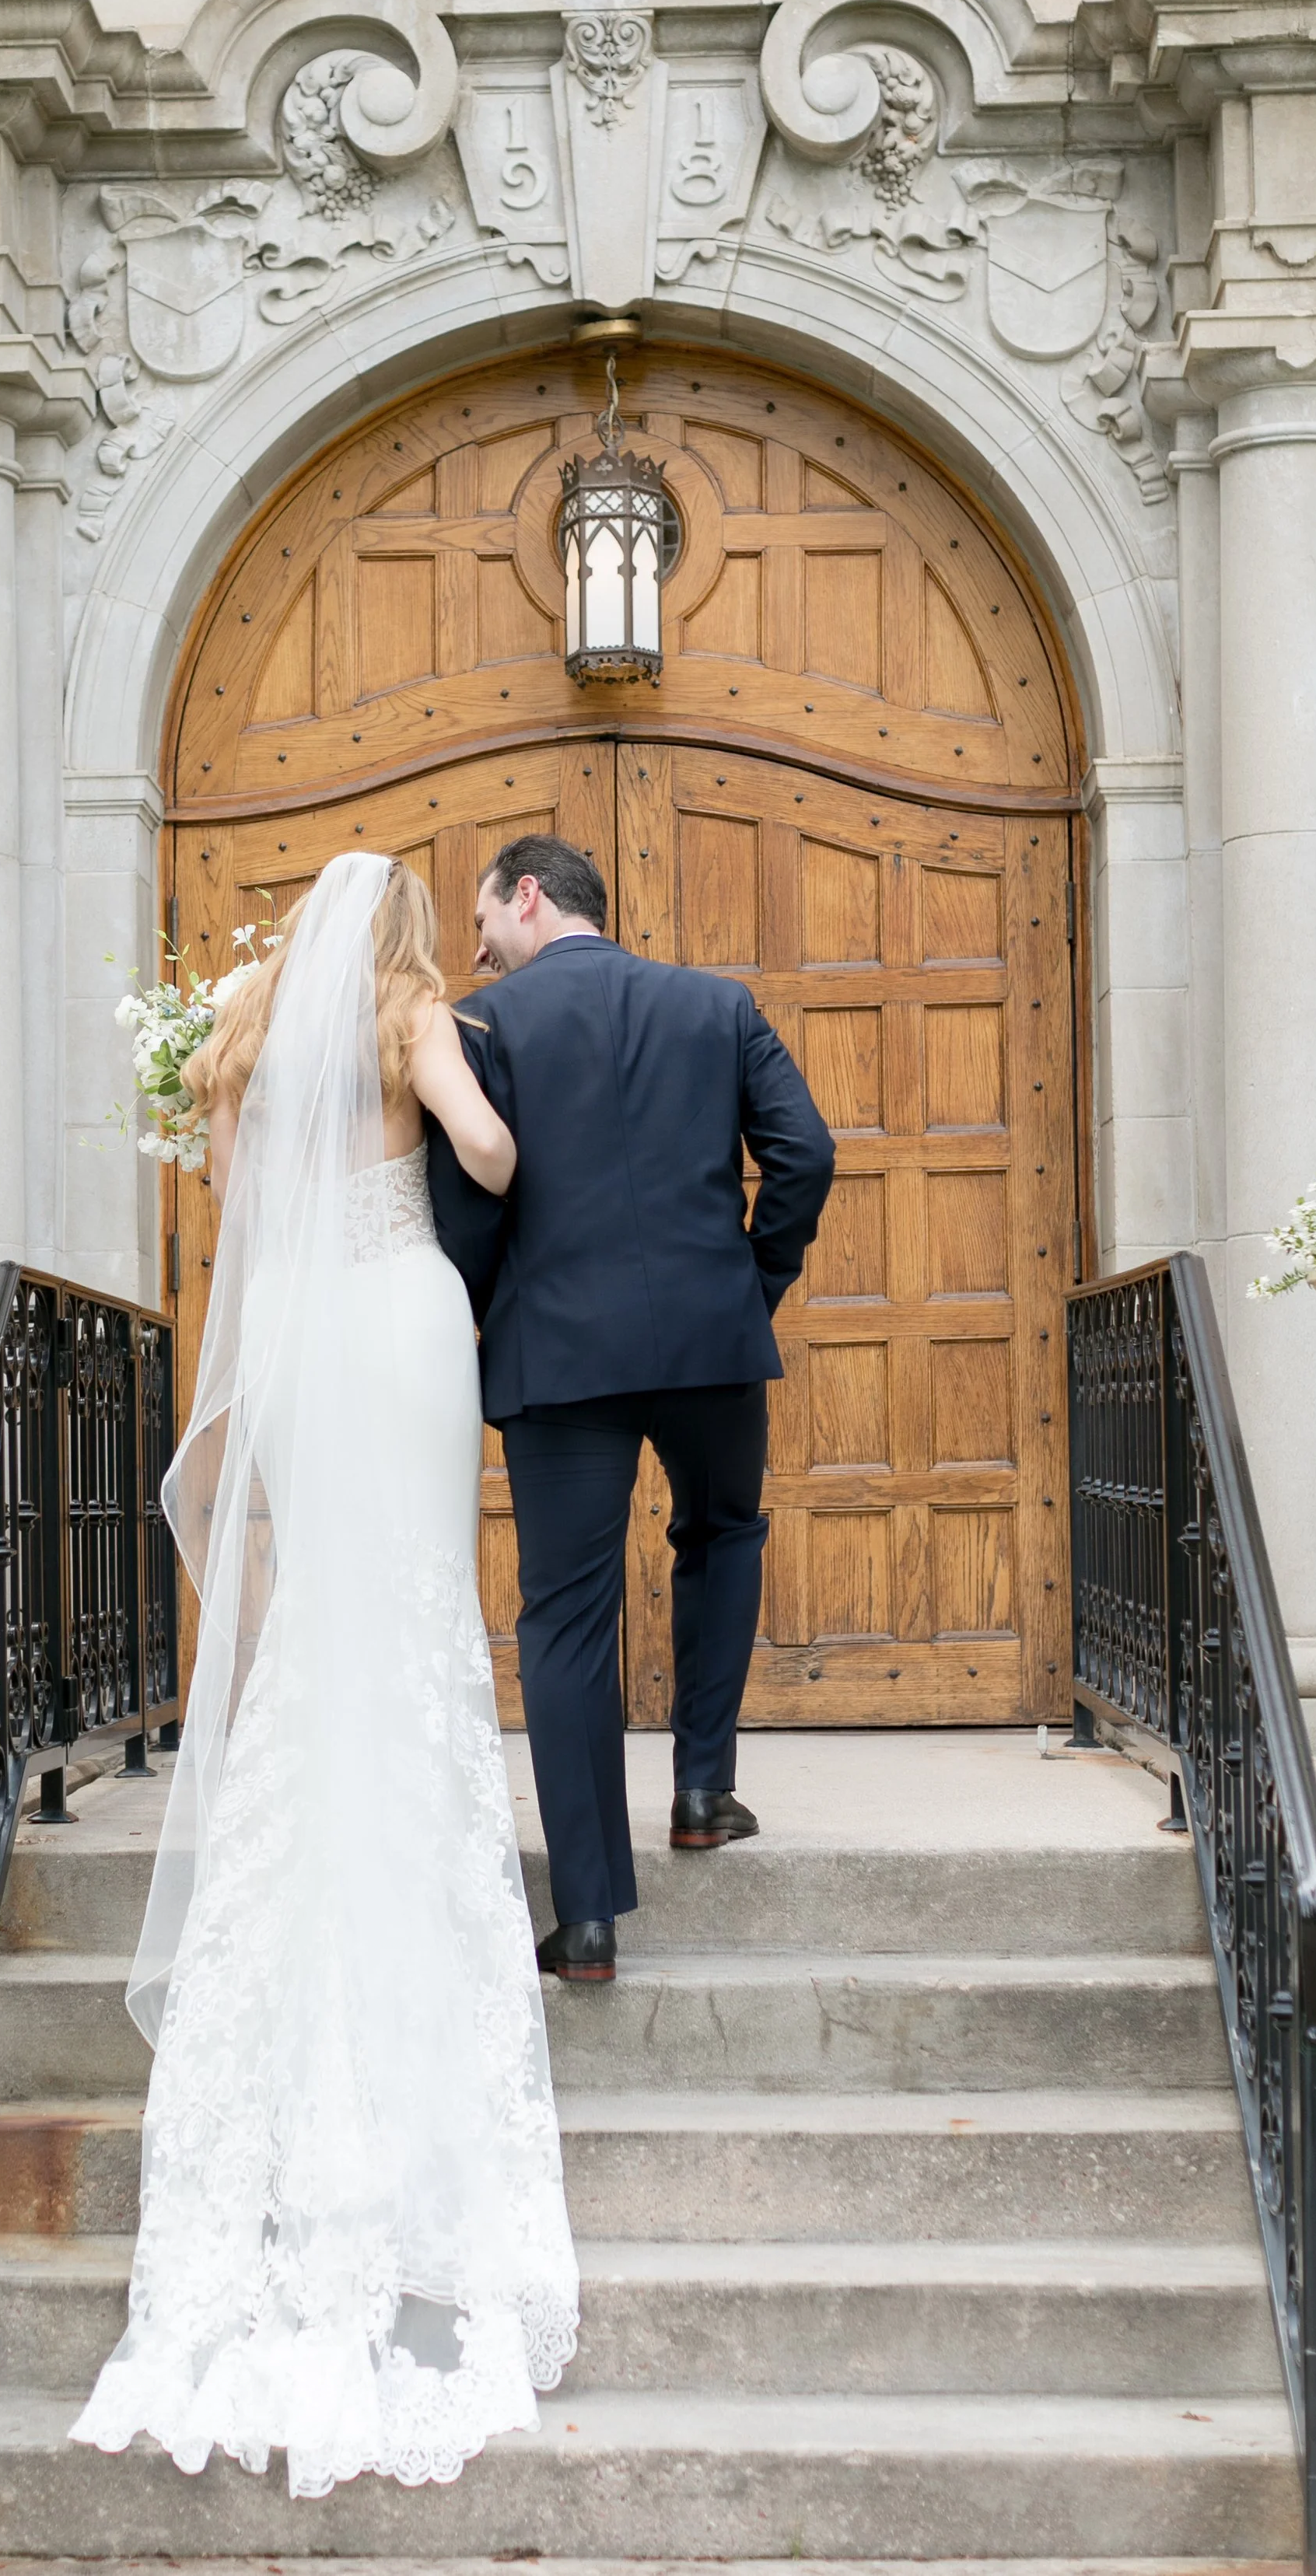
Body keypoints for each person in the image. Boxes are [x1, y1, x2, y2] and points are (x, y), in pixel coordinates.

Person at [70, 854, 579, 2497]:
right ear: (412, 933)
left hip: (295, 1324)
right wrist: (470, 1130)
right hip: (405, 1313)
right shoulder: (410, 1010)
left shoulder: (235, 1019)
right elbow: (488, 1154)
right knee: (419, 1604)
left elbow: (229, 1188)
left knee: (316, 1612)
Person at [427, 833, 835, 1984]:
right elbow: (806, 1154)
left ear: (527, 896)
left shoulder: (484, 1025)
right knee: (722, 1535)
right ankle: (704, 1789)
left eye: (484, 923)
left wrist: (495, 1306)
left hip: (557, 1354)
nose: (477, 947)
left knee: (564, 1615)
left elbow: (466, 1207)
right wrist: (752, 1281)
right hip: (710, 1340)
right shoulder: (716, 1004)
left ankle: (593, 1914)